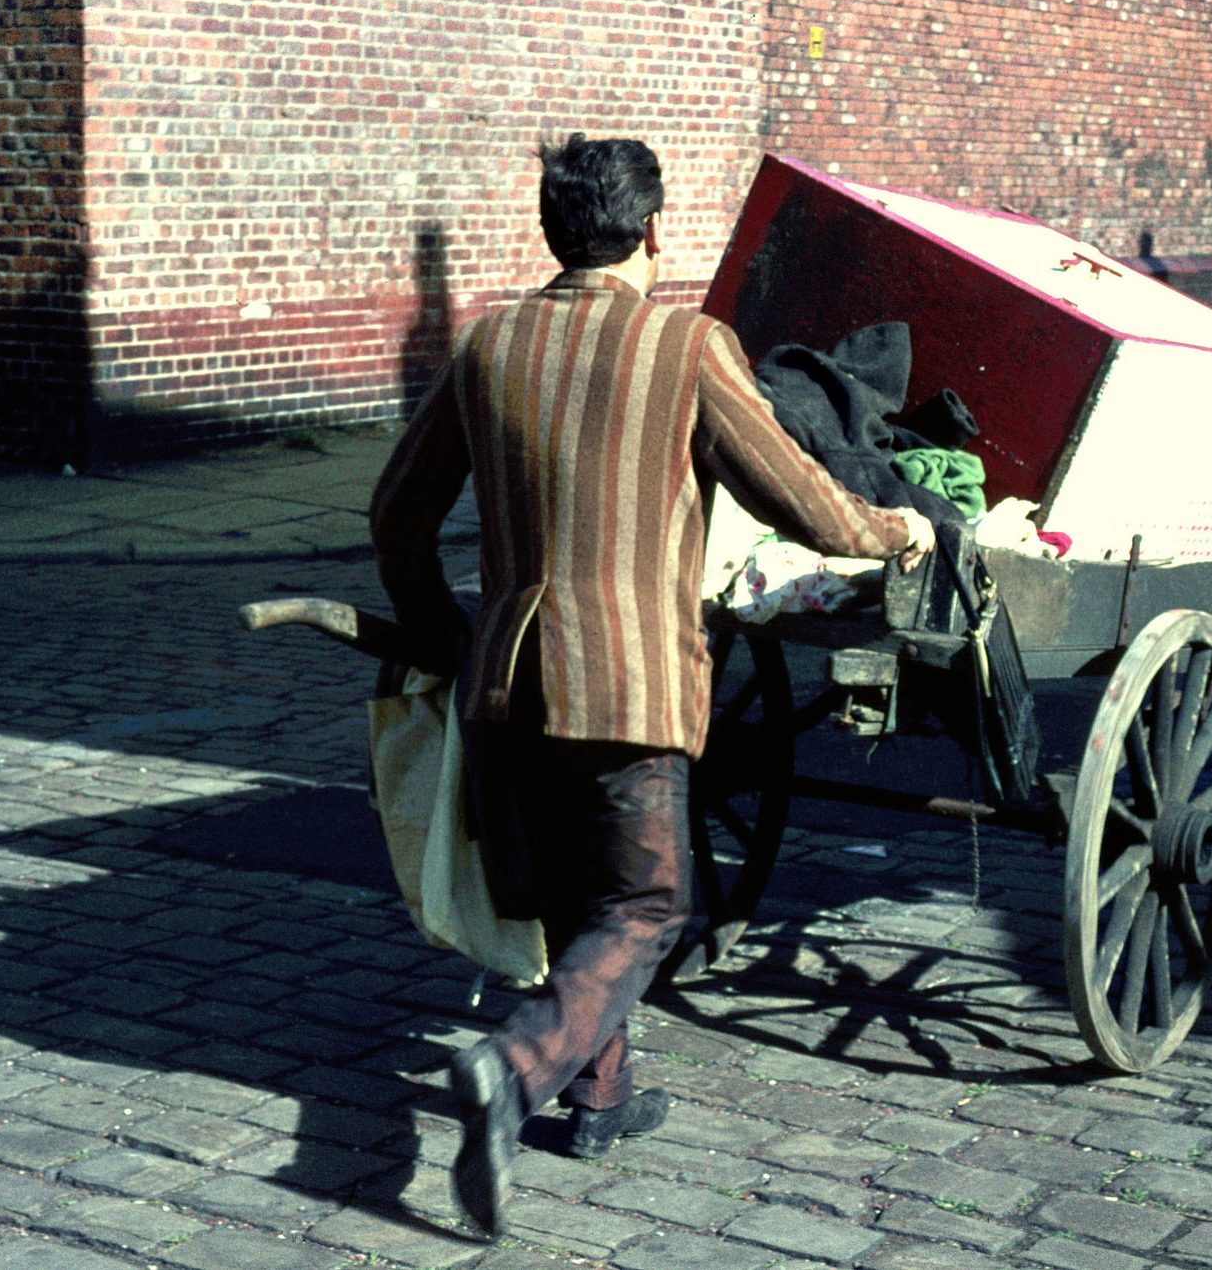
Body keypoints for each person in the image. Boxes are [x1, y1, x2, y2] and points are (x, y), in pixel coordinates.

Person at [369, 133, 934, 1240]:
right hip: (624, 687)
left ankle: (600, 1097)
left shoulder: (488, 345)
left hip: (505, 687)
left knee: (583, 904)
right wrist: (894, 531)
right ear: (654, 230)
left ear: (554, 232)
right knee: (647, 904)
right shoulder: (685, 345)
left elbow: (396, 515)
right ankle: (516, 1065)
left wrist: (451, 637)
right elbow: (802, 503)